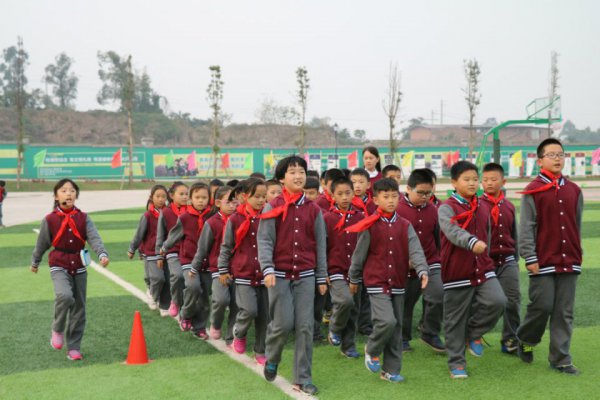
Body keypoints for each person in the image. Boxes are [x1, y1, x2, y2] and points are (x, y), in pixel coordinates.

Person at [258, 155, 327, 396]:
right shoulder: (273, 206)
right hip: (278, 275)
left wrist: (321, 277)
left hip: (306, 275)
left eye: (301, 172)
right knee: (283, 324)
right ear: (281, 178)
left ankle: (302, 378)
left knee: (305, 326)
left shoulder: (314, 209)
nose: (298, 176)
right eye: (292, 172)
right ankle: (272, 357)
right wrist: (267, 268)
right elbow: (265, 240)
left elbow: (320, 245)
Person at [348, 178, 429, 383]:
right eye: (386, 197)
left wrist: (422, 270)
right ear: (375, 200)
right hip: (376, 282)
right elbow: (358, 255)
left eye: (394, 196)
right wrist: (354, 278)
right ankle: (372, 347)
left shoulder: (405, 225)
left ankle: (390, 371)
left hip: (399, 283)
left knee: (396, 327)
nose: (391, 200)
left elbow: (416, 250)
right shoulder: (369, 225)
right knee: (387, 321)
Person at [516, 138, 583, 375]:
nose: (557, 158)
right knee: (542, 306)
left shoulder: (574, 190)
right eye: (551, 155)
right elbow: (526, 226)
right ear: (540, 160)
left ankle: (560, 359)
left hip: (570, 260)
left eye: (561, 154)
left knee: (564, 312)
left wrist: (577, 253)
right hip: (542, 261)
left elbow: (576, 225)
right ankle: (526, 338)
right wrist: (529, 256)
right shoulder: (533, 191)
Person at [438, 161, 507, 379]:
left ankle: (473, 333)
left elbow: (487, 234)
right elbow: (451, 231)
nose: (472, 183)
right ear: (454, 182)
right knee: (454, 320)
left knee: (498, 301)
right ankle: (456, 363)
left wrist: (486, 255)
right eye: (466, 179)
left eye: (475, 179)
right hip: (456, 270)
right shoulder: (446, 207)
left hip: (483, 267)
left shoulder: (482, 205)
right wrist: (471, 242)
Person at [31, 179, 109, 361]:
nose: (68, 193)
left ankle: (74, 347)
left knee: (79, 308)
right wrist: (35, 261)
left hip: (79, 265)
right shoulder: (50, 219)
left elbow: (94, 237)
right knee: (64, 296)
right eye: (64, 190)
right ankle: (57, 328)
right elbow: (42, 243)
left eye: (72, 191)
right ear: (56, 196)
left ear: (76, 195)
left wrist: (102, 253)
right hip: (58, 264)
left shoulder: (84, 218)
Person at [218, 178, 269, 365]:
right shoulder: (235, 219)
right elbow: (226, 247)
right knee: (249, 310)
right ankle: (238, 333)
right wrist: (223, 269)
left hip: (266, 275)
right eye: (257, 196)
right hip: (243, 274)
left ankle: (260, 350)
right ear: (245, 196)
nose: (261, 200)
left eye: (264, 196)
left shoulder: (270, 217)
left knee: (264, 316)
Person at [397, 169, 445, 353]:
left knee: (439, 294)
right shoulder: (397, 209)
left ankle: (430, 333)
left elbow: (438, 239)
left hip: (430, 262)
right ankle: (402, 338)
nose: (425, 197)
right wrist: (404, 259)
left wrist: (439, 259)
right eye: (420, 192)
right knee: (405, 304)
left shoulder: (434, 210)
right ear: (408, 189)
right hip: (405, 266)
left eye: (428, 193)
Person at [161, 182, 212, 336]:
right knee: (193, 287)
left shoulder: (212, 217)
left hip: (207, 263)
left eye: (204, 197)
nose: (201, 200)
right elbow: (174, 235)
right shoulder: (184, 218)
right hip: (189, 261)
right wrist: (164, 248)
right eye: (197, 197)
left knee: (204, 297)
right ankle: (186, 314)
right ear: (191, 198)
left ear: (209, 199)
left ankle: (200, 327)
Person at [479, 162, 520, 354]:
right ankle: (473, 334)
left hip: (508, 260)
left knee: (513, 299)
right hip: (486, 262)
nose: (489, 183)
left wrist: (516, 258)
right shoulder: (477, 205)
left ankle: (511, 339)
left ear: (503, 182)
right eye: (485, 180)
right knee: (483, 301)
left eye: (494, 179)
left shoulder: (509, 206)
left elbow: (514, 233)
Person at [323, 177, 365, 358]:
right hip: (335, 269)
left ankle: (348, 346)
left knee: (354, 309)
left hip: (356, 271)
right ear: (332, 195)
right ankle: (334, 327)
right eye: (340, 194)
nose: (345, 197)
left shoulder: (360, 217)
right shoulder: (327, 218)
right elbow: (322, 246)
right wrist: (323, 270)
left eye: (348, 193)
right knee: (345, 301)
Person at [190, 185, 238, 341]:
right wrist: (194, 267)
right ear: (218, 203)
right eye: (228, 202)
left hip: (238, 269)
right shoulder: (211, 223)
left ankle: (231, 337)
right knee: (221, 300)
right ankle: (216, 324)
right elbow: (202, 248)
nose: (232, 206)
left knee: (237, 304)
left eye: (235, 202)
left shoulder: (240, 219)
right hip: (218, 270)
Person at [128, 184, 170, 316]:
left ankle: (164, 305)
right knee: (158, 278)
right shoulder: (147, 216)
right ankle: (152, 294)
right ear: (151, 197)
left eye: (163, 196)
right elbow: (139, 234)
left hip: (167, 252)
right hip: (151, 252)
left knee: (167, 280)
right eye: (158, 196)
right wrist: (132, 248)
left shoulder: (169, 214)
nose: (161, 199)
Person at [155, 182, 189, 318]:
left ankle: (186, 309)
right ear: (171, 195)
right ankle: (175, 301)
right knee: (178, 276)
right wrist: (159, 255)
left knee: (191, 283)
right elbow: (160, 235)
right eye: (181, 194)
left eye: (186, 194)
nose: (185, 197)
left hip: (189, 252)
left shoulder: (191, 211)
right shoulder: (166, 212)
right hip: (172, 252)